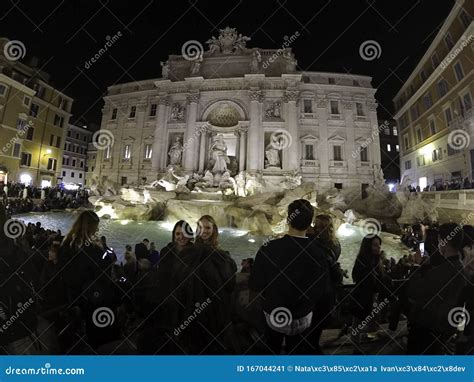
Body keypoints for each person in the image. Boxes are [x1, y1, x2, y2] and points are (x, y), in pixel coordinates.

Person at [249, 199, 328, 355]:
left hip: (274, 315)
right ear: (310, 222)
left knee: (272, 351)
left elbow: (256, 285)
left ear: (288, 219)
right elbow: (321, 291)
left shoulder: (269, 248)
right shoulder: (319, 254)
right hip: (302, 318)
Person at [406, 223, 467, 354]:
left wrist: (416, 266)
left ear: (443, 241)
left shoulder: (443, 270)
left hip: (426, 327)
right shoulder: (459, 266)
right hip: (443, 327)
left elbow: (414, 291)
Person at [306, 214, 344, 354]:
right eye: (315, 225)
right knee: (314, 329)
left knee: (313, 329)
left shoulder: (323, 245)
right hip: (324, 292)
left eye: (320, 226)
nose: (315, 228)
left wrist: (310, 238)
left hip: (320, 293)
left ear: (327, 229)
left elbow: (317, 259)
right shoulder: (335, 244)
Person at [350, 235, 390, 353]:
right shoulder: (362, 261)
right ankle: (356, 348)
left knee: (372, 325)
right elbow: (360, 279)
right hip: (361, 298)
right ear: (367, 246)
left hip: (373, 298)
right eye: (375, 245)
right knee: (357, 325)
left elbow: (380, 280)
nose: (378, 247)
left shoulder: (376, 259)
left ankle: (357, 336)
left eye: (379, 244)